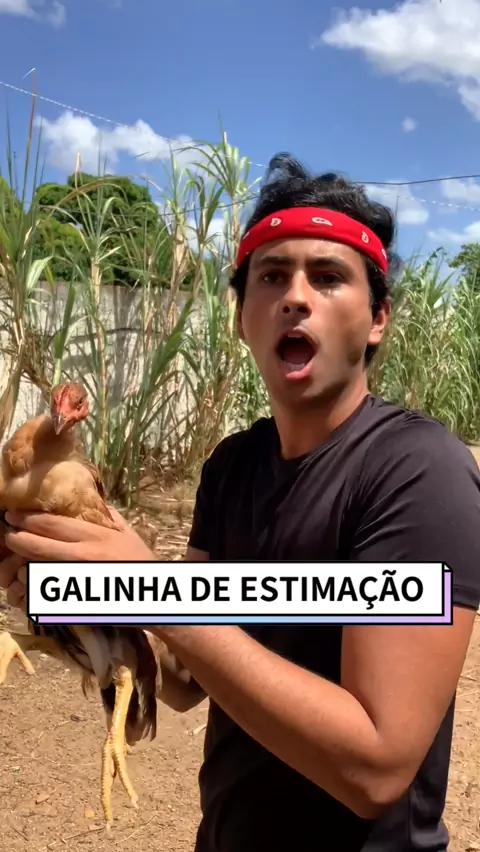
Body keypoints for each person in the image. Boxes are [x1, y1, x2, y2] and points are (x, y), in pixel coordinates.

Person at [1, 153, 480, 852]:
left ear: (378, 318)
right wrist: (84, 607)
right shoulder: (232, 467)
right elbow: (185, 679)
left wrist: (148, 587)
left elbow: (376, 767)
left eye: (328, 276)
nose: (296, 296)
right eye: (272, 276)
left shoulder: (417, 471)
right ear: (241, 319)